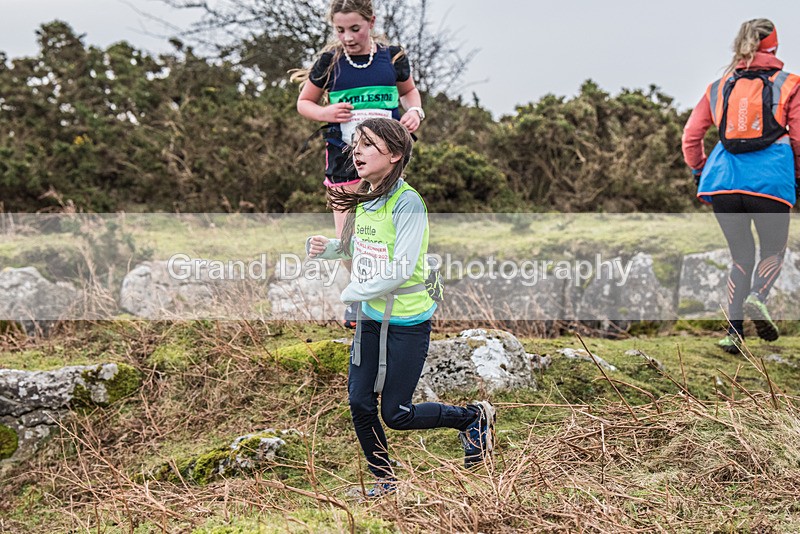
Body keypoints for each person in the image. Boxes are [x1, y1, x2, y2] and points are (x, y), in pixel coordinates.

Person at [305, 118, 494, 498]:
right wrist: (329, 248)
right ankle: (385, 481)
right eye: (355, 144)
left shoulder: (408, 203)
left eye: (368, 145)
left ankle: (473, 418)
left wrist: (353, 293)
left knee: (397, 414)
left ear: (393, 155)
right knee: (359, 401)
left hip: (407, 321)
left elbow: (400, 268)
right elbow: (361, 249)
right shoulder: (364, 196)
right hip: (373, 318)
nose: (355, 152)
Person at [292, 0, 425, 329]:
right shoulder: (330, 60)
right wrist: (325, 113)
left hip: (385, 159)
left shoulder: (392, 56)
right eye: (340, 30)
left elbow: (410, 94)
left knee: (382, 233)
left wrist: (415, 113)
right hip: (343, 156)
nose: (348, 37)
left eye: (355, 28)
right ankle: (360, 298)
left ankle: (384, 297)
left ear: (371, 22)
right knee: (348, 237)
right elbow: (304, 102)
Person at [682, 19, 800, 353]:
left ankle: (734, 335)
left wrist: (700, 171)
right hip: (770, 182)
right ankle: (758, 297)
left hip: (722, 182)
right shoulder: (790, 84)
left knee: (740, 257)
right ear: (773, 47)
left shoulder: (719, 86)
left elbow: (691, 136)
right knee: (774, 250)